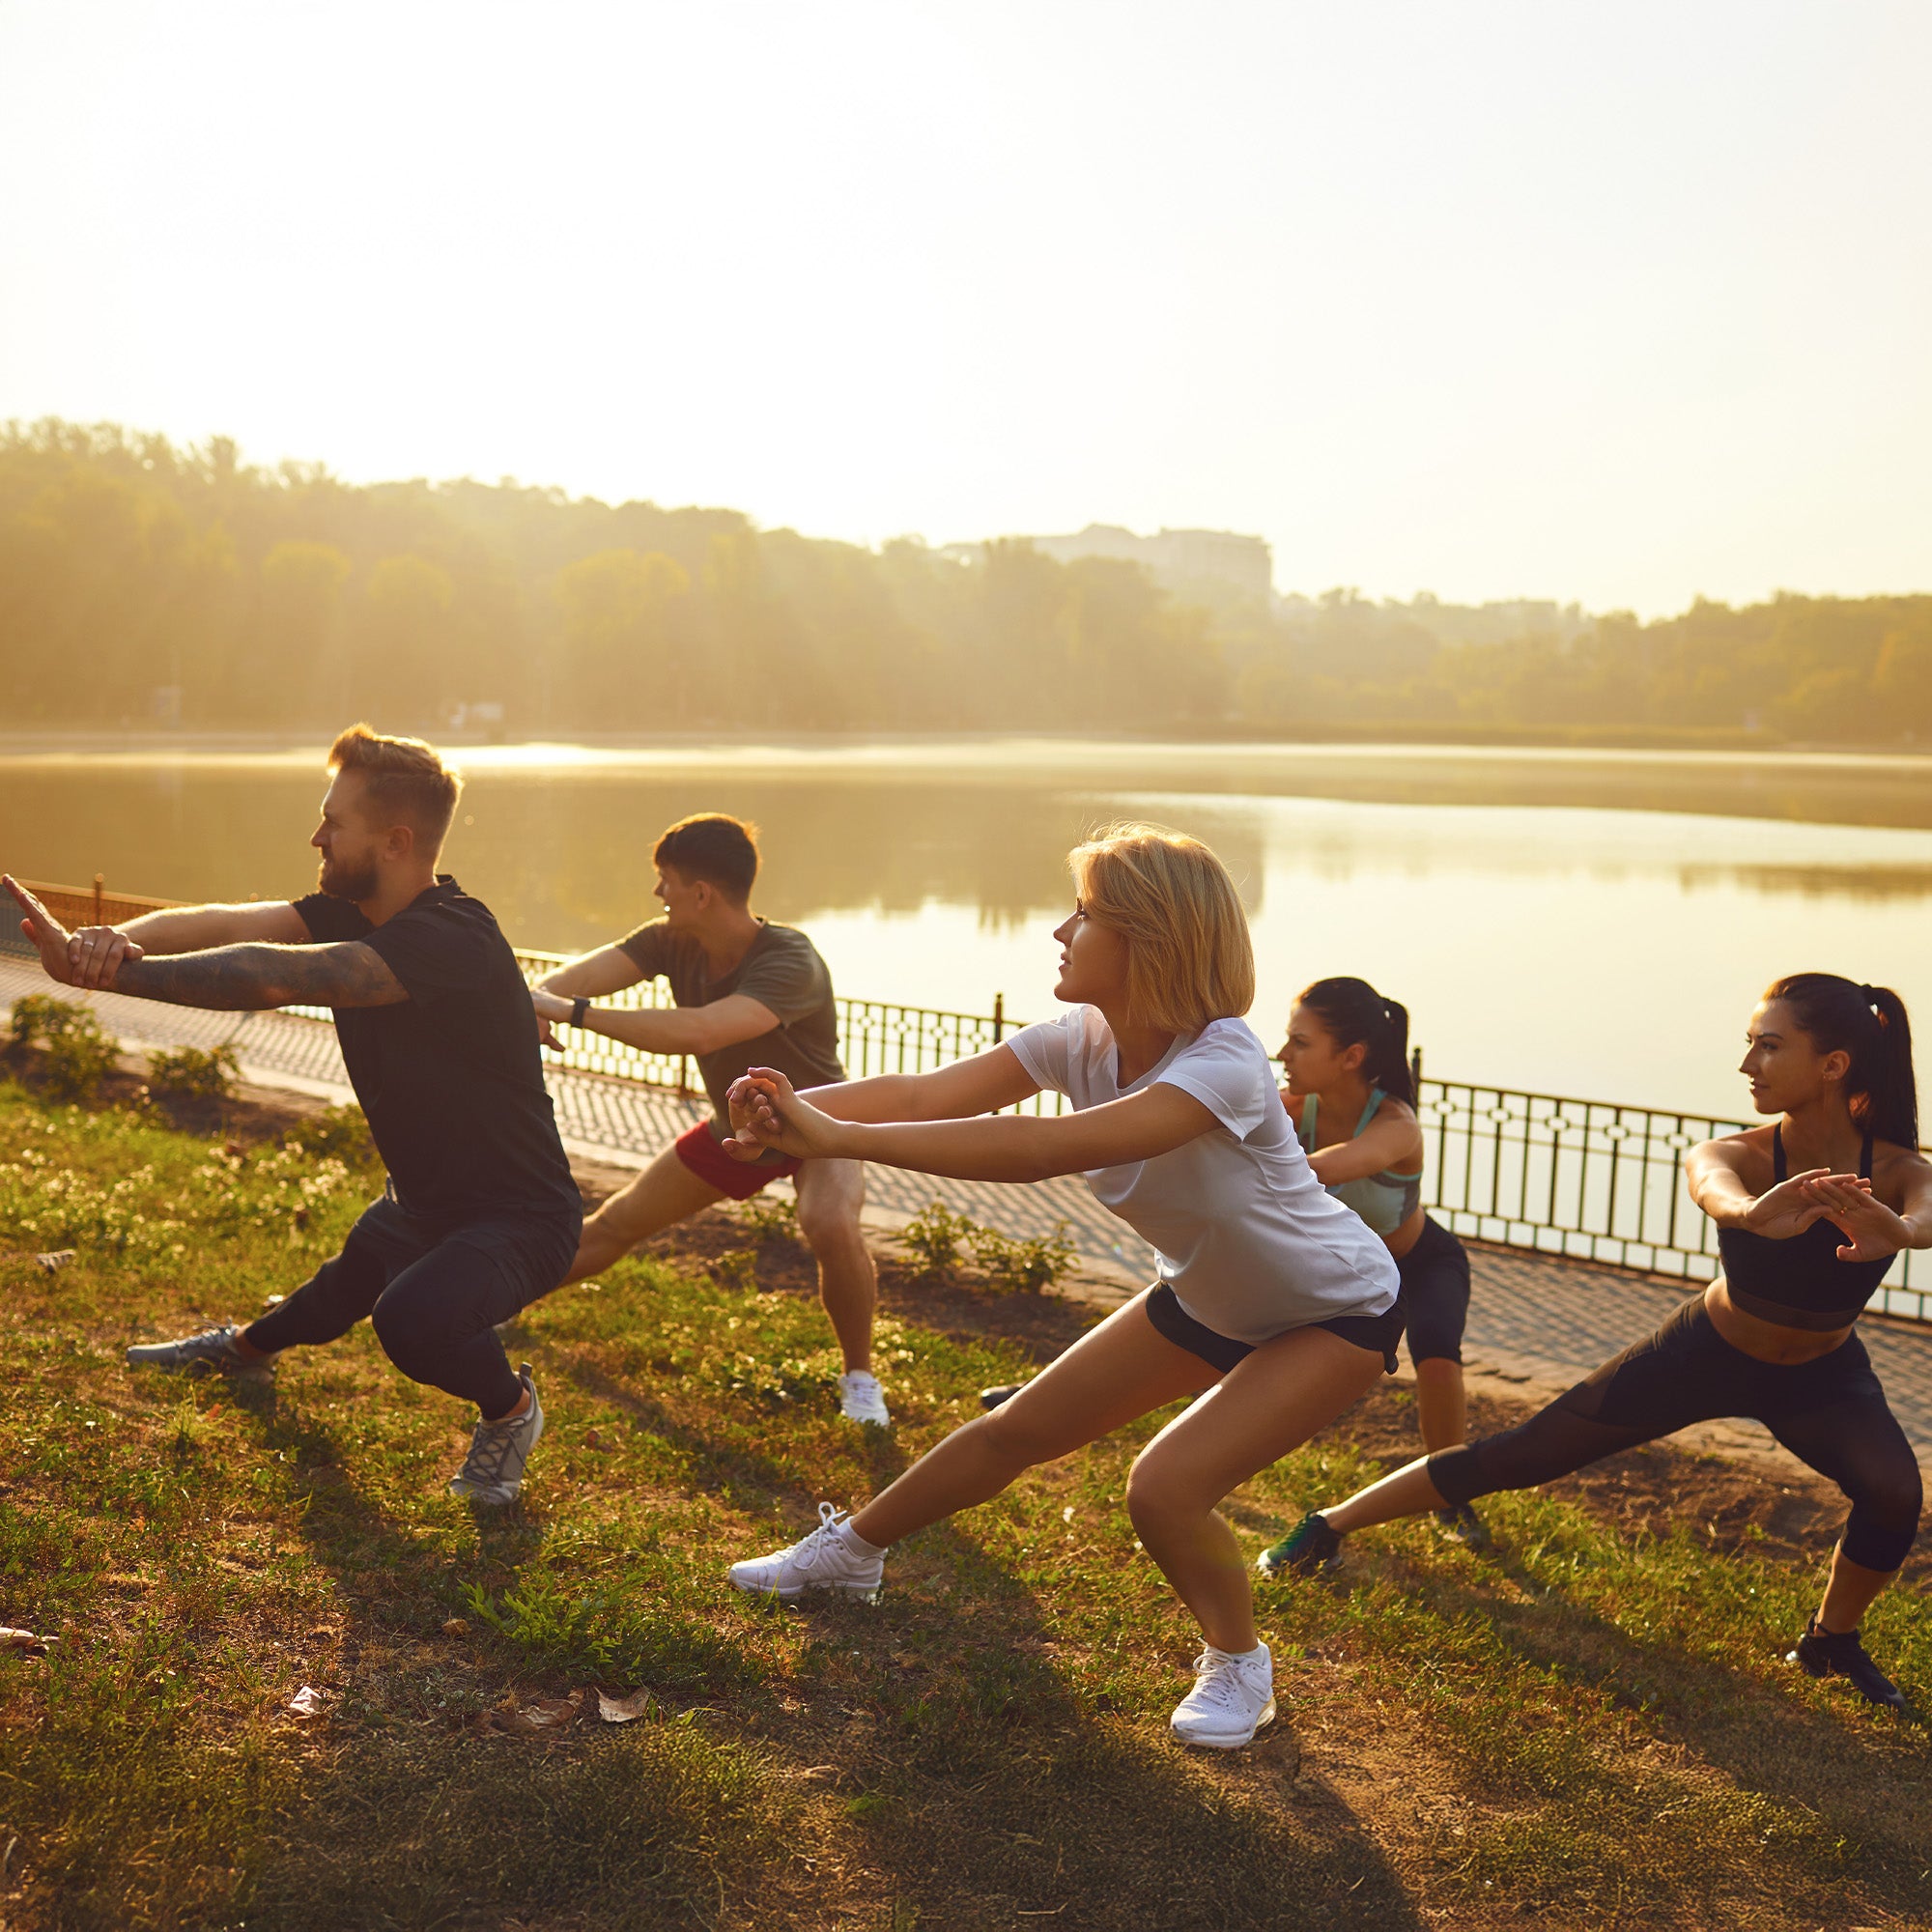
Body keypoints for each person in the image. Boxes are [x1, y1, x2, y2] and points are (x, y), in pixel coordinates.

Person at [720, 827, 1403, 1748]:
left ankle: (1242, 1666)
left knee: (1163, 1488)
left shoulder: (1225, 1063)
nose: (1058, 932)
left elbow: (1046, 1149)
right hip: (1208, 1297)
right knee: (1016, 1431)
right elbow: (928, 1095)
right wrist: (794, 1107)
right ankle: (850, 1555)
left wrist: (829, 1138)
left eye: (1083, 916)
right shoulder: (1080, 1039)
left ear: (1148, 938)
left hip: (1334, 1309)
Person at [1266, 974, 1930, 1711]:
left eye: (1770, 1047)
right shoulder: (1735, 1152)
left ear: (1834, 1065)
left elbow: (1924, 1205)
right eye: (1750, 1045)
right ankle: (1330, 1524)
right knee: (1523, 1454)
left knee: (1896, 1490)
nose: (1748, 1066)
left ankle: (1829, 1641)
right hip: (1704, 1352)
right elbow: (1714, 1187)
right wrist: (1750, 1215)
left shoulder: (1894, 1170)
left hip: (1820, 1374)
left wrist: (1900, 1229)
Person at [3, 724, 581, 1505]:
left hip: (522, 1218)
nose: (316, 835)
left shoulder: (454, 937)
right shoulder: (355, 911)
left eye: (334, 822)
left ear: (395, 840)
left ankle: (512, 1409)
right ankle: (240, 1349)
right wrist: (100, 946)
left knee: (409, 1319)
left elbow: (272, 974)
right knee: (336, 1292)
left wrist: (116, 983)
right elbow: (223, 924)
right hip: (425, 1202)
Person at [526, 813, 888, 1427]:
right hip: (735, 1126)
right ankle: (496, 1302)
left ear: (701, 894)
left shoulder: (790, 958)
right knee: (616, 1224)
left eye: (665, 882)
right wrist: (532, 1002)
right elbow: (586, 973)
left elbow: (703, 1028)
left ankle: (860, 1378)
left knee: (828, 1223)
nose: (657, 895)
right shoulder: (670, 939)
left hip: (819, 1119)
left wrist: (569, 1013)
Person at [1259, 976, 1487, 1555]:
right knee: (1230, 1333)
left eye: (1300, 1042)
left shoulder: (1396, 1125)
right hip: (1345, 1275)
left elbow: (1332, 1167)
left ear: (1351, 1057)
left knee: (1436, 1357)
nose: (1283, 1054)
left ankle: (1449, 1498)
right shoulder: (1292, 1108)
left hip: (1420, 1263)